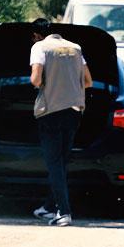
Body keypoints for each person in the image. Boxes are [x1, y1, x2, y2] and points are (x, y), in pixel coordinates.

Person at [30, 18, 93, 227]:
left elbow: (36, 79)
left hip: (50, 111)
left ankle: (64, 212)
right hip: (74, 111)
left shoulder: (39, 47)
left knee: (54, 163)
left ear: (36, 36)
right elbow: (88, 81)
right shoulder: (75, 48)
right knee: (62, 161)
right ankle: (48, 207)